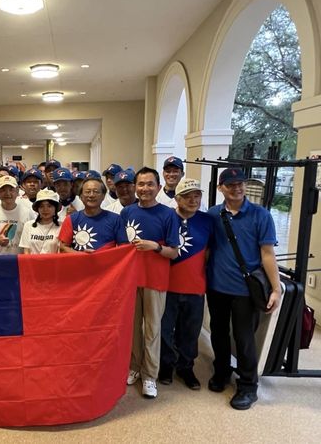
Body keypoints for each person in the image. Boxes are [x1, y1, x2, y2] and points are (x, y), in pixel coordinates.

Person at [206, 168, 281, 410]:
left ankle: (248, 386)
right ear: (221, 188)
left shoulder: (261, 215)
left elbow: (268, 254)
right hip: (217, 286)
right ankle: (222, 372)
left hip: (245, 290)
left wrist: (276, 289)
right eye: (231, 185)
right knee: (218, 332)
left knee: (244, 338)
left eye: (240, 184)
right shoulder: (213, 215)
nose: (237, 188)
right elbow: (207, 250)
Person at [120, 167, 180, 400]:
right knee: (133, 328)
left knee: (153, 330)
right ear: (135, 187)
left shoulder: (168, 214)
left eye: (150, 184)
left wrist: (154, 246)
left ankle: (149, 376)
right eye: (141, 184)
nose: (145, 189)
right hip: (131, 280)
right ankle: (134, 366)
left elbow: (173, 253)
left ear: (158, 186)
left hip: (155, 280)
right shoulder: (127, 212)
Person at [159, 179, 213, 391]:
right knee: (164, 330)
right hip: (167, 286)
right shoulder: (166, 218)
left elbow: (210, 252)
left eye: (197, 196)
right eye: (188, 196)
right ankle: (165, 365)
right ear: (177, 198)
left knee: (190, 331)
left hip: (195, 287)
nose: (193, 200)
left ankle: (185, 367)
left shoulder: (208, 221)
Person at [59, 177, 126, 253]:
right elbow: (63, 247)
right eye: (87, 192)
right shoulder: (71, 219)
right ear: (80, 196)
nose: (91, 195)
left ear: (103, 196)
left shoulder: (116, 219)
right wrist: (81, 255)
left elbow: (124, 249)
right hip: (78, 263)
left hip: (107, 264)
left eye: (96, 191)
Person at [0, 175, 34, 255]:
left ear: (17, 191)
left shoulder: (27, 213)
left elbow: (32, 239)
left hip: (19, 262)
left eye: (11, 190)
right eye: (3, 190)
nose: (7, 193)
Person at [19, 189, 61, 254]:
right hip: (32, 263)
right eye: (41, 206)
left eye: (49, 206)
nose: (45, 209)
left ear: (55, 208)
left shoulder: (61, 226)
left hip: (53, 263)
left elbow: (61, 251)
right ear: (37, 209)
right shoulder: (28, 225)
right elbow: (26, 251)